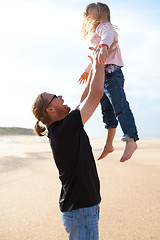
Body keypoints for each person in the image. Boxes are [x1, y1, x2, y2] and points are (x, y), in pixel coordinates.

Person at [32, 44, 116, 240]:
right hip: (81, 210)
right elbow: (96, 95)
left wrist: (94, 67)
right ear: (50, 110)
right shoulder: (63, 131)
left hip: (81, 209)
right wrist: (100, 62)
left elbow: (84, 98)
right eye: (55, 97)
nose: (61, 96)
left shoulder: (62, 128)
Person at [78, 2, 139, 162]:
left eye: (93, 16)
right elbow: (97, 57)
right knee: (107, 110)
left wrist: (104, 45)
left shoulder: (105, 27)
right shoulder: (96, 30)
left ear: (103, 15)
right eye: (89, 17)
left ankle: (131, 139)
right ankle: (109, 144)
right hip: (101, 76)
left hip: (111, 73)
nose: (91, 20)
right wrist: (87, 70)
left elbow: (108, 37)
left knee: (120, 106)